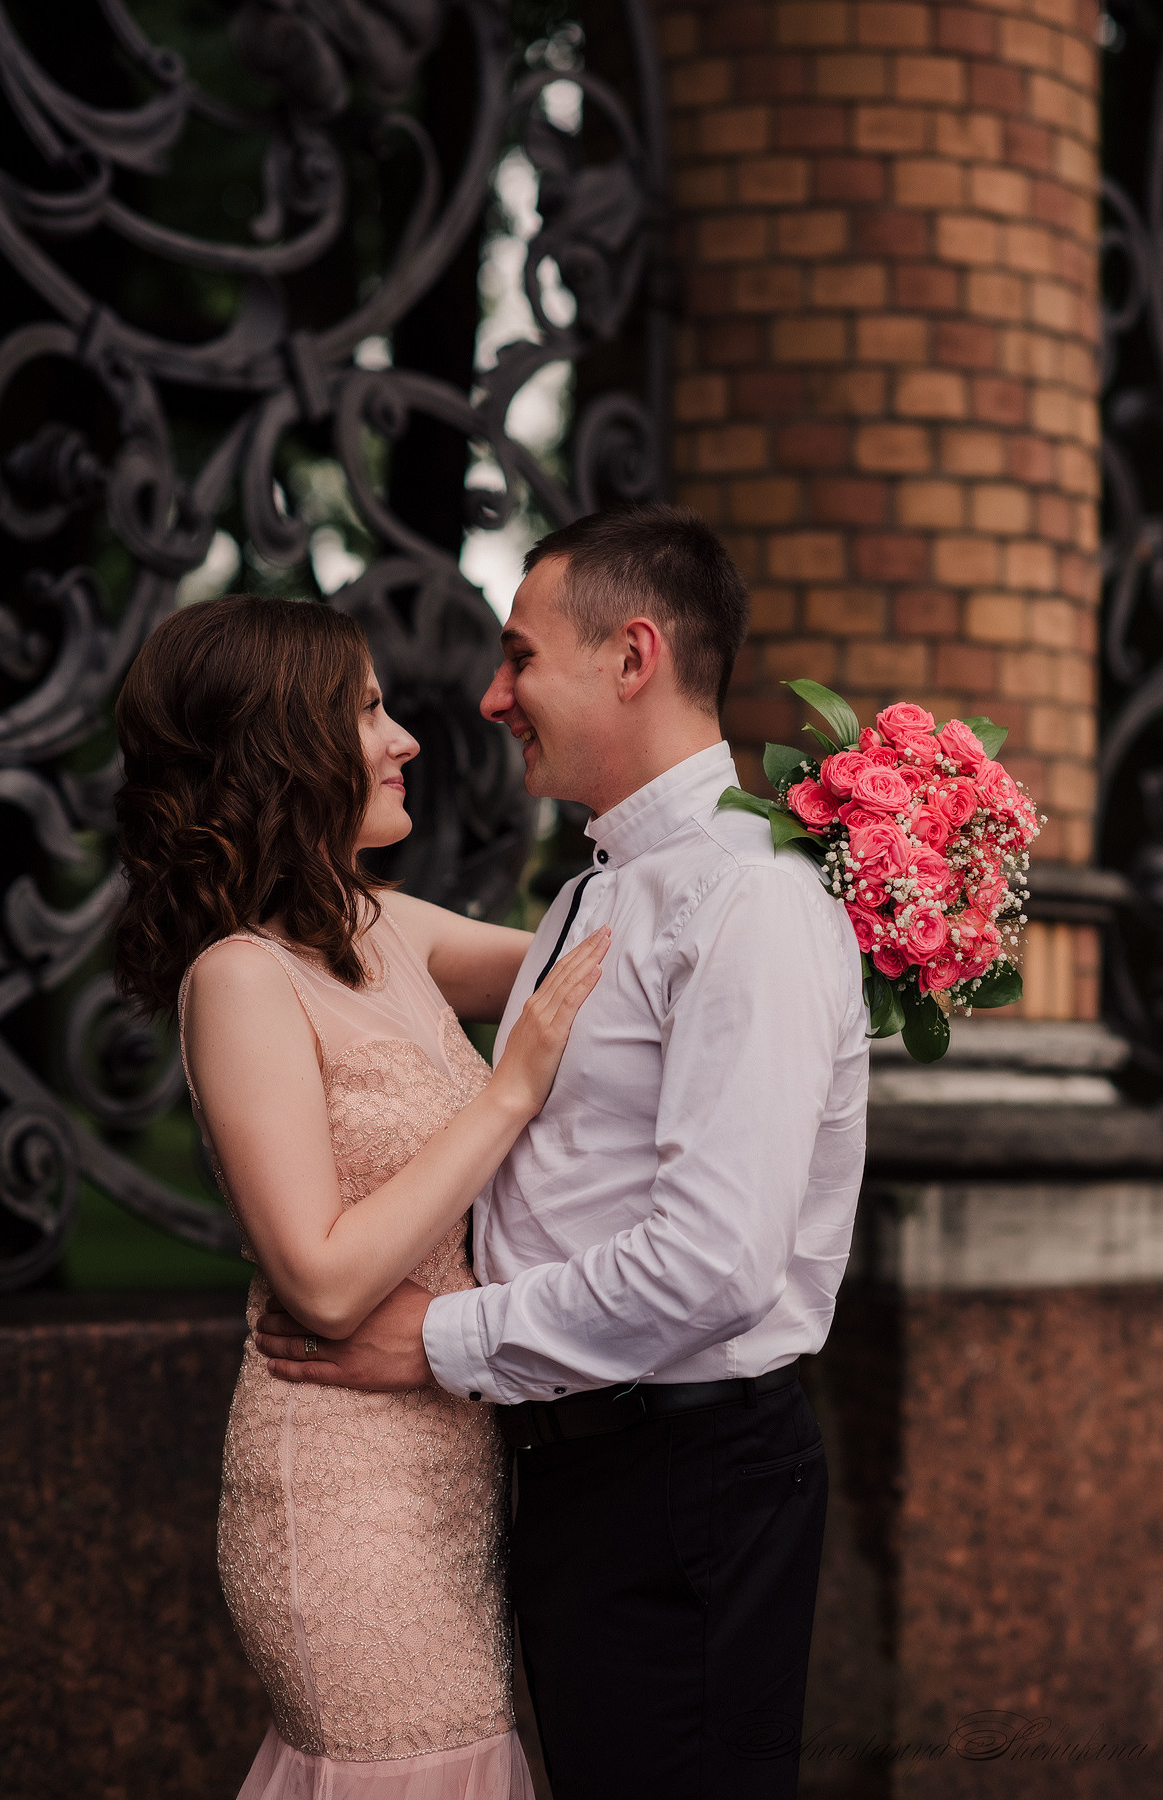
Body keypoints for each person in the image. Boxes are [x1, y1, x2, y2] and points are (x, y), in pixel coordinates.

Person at [258, 506, 871, 1800]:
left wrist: (431, 1339)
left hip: (681, 1483)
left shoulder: (746, 899)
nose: (489, 698)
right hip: (583, 1469)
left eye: (519, 657)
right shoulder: (599, 886)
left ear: (630, 655)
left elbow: (712, 1265)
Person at [112, 593, 609, 1800]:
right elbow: (323, 1279)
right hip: (341, 1494)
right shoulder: (239, 980)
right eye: (369, 711)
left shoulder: (382, 927)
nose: (407, 739)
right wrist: (509, 1091)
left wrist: (825, 848)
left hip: (452, 1463)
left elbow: (608, 953)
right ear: (285, 747)